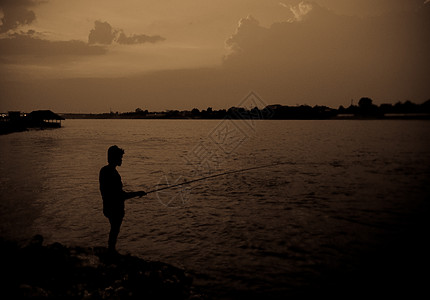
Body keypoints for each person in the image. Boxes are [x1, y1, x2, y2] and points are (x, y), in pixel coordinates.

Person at [99, 145, 146, 253]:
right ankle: (111, 251)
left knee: (114, 230)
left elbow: (107, 192)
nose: (121, 160)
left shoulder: (104, 170)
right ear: (114, 158)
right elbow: (120, 195)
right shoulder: (113, 174)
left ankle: (111, 250)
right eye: (120, 157)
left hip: (107, 206)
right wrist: (137, 193)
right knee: (115, 230)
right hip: (115, 209)